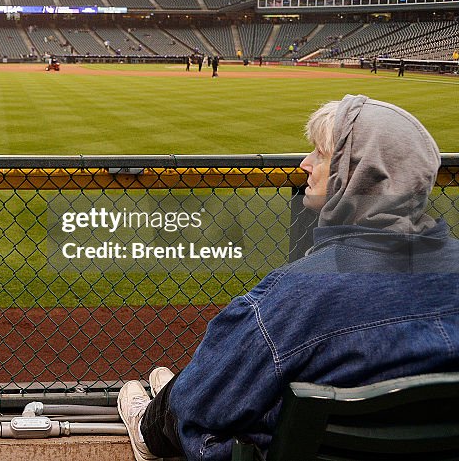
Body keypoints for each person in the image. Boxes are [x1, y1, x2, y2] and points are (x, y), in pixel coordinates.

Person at [117, 95, 459, 461]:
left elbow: (201, 405)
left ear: (357, 173)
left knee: (207, 394)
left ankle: (147, 424)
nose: (305, 163)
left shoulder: (297, 293)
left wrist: (180, 401)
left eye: (321, 155)